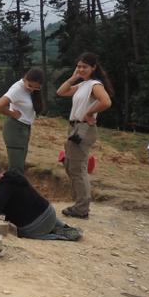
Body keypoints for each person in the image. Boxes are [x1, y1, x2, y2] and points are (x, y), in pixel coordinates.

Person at [0, 162, 82, 241]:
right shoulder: (10, 176)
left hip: (35, 226)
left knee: (20, 232)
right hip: (49, 213)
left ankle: (57, 235)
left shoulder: (5, 187)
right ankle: (62, 227)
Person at [56, 52, 112, 219]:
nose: (81, 69)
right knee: (70, 165)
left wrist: (90, 112)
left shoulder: (95, 85)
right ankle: (80, 202)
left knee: (78, 168)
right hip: (75, 128)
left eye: (84, 67)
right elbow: (61, 92)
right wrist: (74, 77)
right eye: (79, 66)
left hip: (83, 128)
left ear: (93, 68)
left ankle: (82, 207)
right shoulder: (84, 85)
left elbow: (106, 102)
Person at [0, 68, 46, 175]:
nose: (31, 89)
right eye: (30, 86)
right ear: (25, 78)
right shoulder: (17, 88)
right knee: (16, 168)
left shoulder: (30, 90)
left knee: (19, 165)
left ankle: (13, 188)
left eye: (35, 88)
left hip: (25, 128)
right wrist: (12, 114)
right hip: (15, 128)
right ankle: (11, 189)